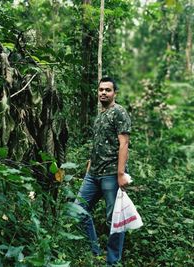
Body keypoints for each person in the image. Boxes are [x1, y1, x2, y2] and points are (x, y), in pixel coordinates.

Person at [75, 77, 131, 266]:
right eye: (101, 90)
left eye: (107, 90)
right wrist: (89, 169)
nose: (103, 93)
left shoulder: (119, 112)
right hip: (94, 174)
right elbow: (98, 144)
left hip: (111, 174)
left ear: (115, 93)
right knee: (78, 210)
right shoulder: (100, 116)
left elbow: (124, 144)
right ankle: (95, 253)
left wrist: (121, 174)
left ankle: (112, 262)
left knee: (114, 219)